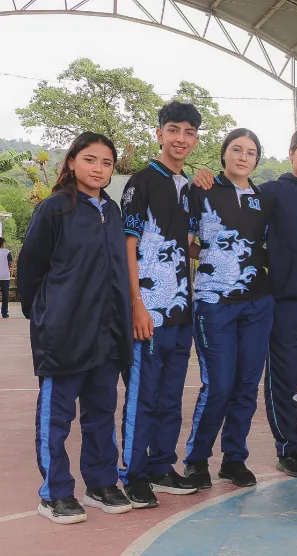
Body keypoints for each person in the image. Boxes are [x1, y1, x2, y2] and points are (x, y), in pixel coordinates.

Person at [195, 127, 297, 478]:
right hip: (280, 302)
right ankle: (286, 448)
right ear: (292, 153)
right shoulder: (270, 194)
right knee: (278, 382)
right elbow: (232, 230)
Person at [17, 132, 134, 524]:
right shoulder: (54, 209)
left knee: (101, 411)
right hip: (64, 333)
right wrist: (47, 315)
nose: (98, 168)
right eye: (90, 159)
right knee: (56, 417)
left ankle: (101, 484)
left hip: (107, 334)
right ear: (71, 162)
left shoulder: (112, 211)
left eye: (106, 162)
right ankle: (55, 493)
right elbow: (32, 268)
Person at [180, 129, 274, 489]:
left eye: (251, 152)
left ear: (256, 160)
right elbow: (183, 241)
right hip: (213, 302)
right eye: (236, 149)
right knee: (218, 385)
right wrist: (215, 258)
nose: (243, 156)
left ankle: (234, 459)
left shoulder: (264, 198)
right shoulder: (200, 189)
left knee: (246, 386)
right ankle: (197, 460)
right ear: (223, 154)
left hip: (258, 302)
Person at [120, 101, 202, 508]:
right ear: (159, 134)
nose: (180, 139)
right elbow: (128, 245)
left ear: (196, 139)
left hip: (180, 311)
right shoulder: (141, 180)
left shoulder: (187, 187)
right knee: (143, 394)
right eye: (173, 130)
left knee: (171, 394)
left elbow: (188, 242)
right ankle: (133, 475)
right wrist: (136, 303)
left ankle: (161, 465)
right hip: (148, 310)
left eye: (188, 132)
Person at [0, 237, 10, 318]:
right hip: (5, 277)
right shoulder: (7, 252)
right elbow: (9, 263)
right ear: (3, 244)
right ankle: (4, 313)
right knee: (5, 296)